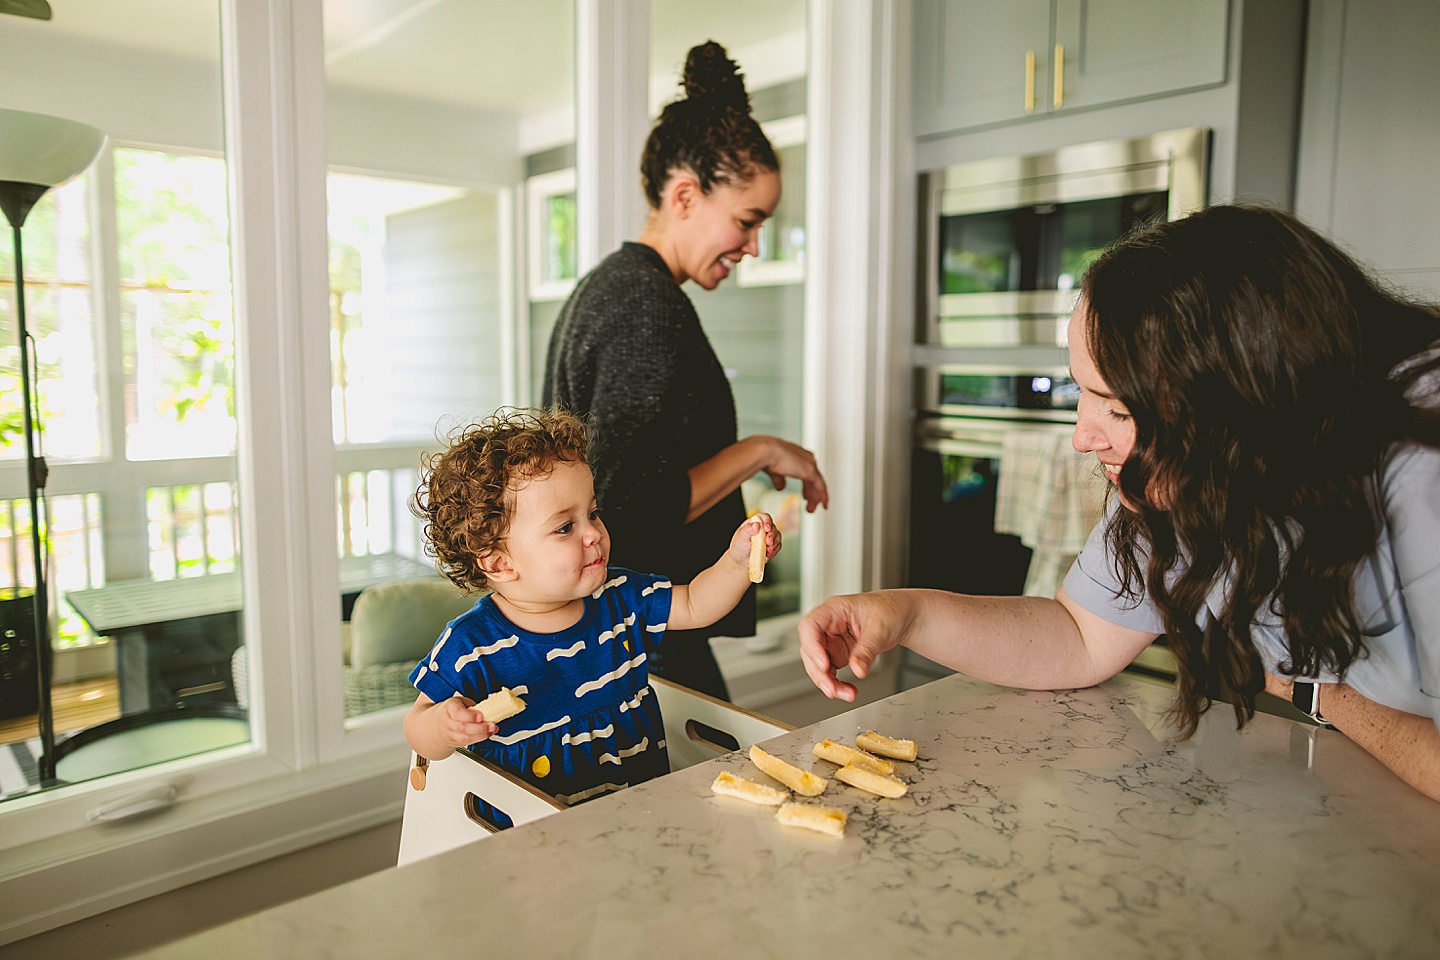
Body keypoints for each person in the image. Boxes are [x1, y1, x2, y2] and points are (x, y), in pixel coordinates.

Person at [799, 204, 1440, 802]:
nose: (1083, 436)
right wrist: (905, 615)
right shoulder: (1187, 466)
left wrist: (1317, 692)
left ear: (1238, 404)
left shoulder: (1420, 467)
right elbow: (1080, 637)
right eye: (1083, 393)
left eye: (1119, 406)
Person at [542, 40, 828, 701]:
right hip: (640, 635)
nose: (753, 246)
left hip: (625, 624)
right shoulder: (648, 307)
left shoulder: (611, 285)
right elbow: (626, 508)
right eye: (747, 221)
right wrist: (757, 450)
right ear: (685, 195)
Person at [404, 408, 779, 824]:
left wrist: (736, 559)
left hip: (640, 815)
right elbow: (417, 726)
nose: (593, 533)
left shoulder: (620, 597)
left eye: (593, 512)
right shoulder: (471, 644)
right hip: (534, 843)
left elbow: (696, 604)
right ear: (498, 563)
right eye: (565, 527)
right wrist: (443, 727)